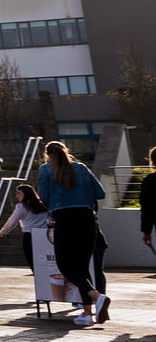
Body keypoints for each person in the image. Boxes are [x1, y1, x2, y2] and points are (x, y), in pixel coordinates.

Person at [36, 140, 108, 327]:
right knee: (83, 267)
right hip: (87, 219)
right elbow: (100, 193)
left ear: (47, 155)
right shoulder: (82, 167)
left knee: (65, 265)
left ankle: (96, 297)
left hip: (65, 220)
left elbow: (43, 197)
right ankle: (87, 313)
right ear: (66, 151)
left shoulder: (45, 170)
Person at [0, 182, 50, 270]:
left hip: (29, 236)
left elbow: (12, 221)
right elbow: (49, 219)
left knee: (33, 262)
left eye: (19, 193)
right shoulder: (42, 205)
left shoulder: (22, 206)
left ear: (25, 194)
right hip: (44, 235)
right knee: (44, 262)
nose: (17, 196)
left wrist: (3, 231)